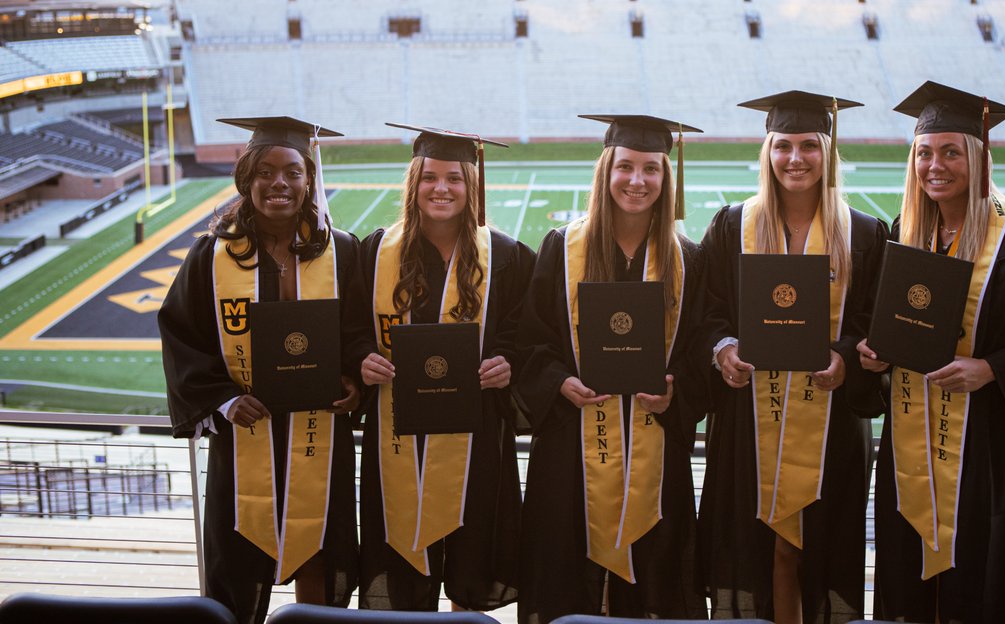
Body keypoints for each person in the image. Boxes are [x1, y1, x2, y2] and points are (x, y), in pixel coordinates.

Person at [858, 81, 1005, 623]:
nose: (935, 166)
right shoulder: (905, 235)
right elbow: (879, 326)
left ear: (978, 158)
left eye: (951, 152)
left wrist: (991, 369)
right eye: (924, 153)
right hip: (911, 440)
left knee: (983, 583)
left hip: (990, 451)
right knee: (912, 582)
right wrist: (874, 356)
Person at [159, 116, 374, 624]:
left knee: (319, 550)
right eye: (267, 171)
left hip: (319, 434)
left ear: (309, 180)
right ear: (246, 180)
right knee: (238, 561)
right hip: (243, 438)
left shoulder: (342, 251)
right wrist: (224, 400)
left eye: (293, 172)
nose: (280, 183)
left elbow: (359, 333)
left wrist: (351, 382)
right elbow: (182, 336)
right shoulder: (212, 255)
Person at [696, 91, 888, 624]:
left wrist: (848, 359)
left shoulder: (867, 234)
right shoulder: (732, 226)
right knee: (760, 549)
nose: (796, 158)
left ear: (828, 154)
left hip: (830, 425)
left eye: (809, 145)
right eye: (783, 145)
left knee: (815, 549)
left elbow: (875, 323)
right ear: (767, 151)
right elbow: (707, 313)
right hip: (748, 423)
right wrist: (723, 349)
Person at [515, 114, 708, 624]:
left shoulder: (688, 259)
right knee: (566, 573)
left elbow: (698, 350)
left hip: (655, 450)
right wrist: (559, 382)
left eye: (651, 169)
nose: (637, 181)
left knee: (654, 574)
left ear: (667, 179)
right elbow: (531, 340)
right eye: (625, 166)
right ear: (606, 171)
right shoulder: (562, 248)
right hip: (570, 450)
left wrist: (676, 391)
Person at [357, 124, 534, 611]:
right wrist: (361, 360)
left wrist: (509, 363)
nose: (441, 188)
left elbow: (533, 335)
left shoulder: (509, 256)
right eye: (430, 177)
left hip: (476, 442)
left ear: (471, 186)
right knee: (403, 561)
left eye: (454, 178)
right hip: (397, 438)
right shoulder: (375, 252)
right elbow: (349, 327)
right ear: (413, 184)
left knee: (470, 556)